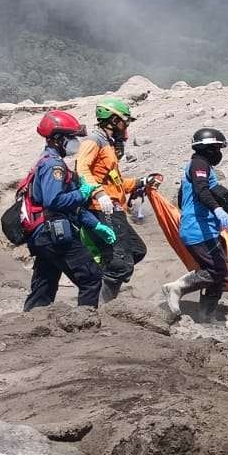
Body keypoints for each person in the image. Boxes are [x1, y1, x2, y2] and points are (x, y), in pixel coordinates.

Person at [23, 109, 112, 311]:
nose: (75, 142)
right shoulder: (55, 166)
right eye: (71, 138)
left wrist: (95, 224)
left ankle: (30, 326)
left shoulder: (45, 161)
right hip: (54, 233)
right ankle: (84, 326)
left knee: (44, 286)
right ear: (57, 139)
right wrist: (83, 193)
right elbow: (54, 201)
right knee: (91, 278)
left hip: (43, 235)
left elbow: (72, 208)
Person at [74, 97, 155, 302]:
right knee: (120, 264)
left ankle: (100, 287)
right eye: (124, 120)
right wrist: (98, 193)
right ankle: (99, 305)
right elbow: (81, 169)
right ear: (112, 119)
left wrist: (140, 182)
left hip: (115, 207)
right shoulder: (94, 140)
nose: (126, 126)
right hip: (102, 208)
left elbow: (115, 183)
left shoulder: (108, 146)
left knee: (137, 250)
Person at [161, 127, 228, 318]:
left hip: (205, 228)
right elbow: (202, 190)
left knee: (219, 274)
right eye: (217, 148)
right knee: (218, 272)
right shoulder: (199, 165)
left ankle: (206, 315)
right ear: (208, 148)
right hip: (198, 230)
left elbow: (184, 197)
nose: (219, 153)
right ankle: (178, 288)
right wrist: (217, 209)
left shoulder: (202, 166)